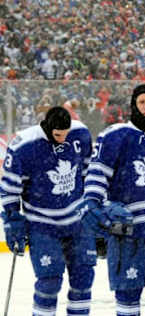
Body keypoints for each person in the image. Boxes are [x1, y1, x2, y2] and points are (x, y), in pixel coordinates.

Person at [80, 84, 145, 316]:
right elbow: (98, 173)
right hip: (128, 230)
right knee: (127, 295)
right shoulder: (115, 135)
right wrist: (92, 203)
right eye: (142, 102)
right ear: (134, 104)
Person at [0, 106, 95, 316]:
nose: (63, 139)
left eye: (66, 134)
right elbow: (9, 189)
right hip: (42, 225)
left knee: (83, 279)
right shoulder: (24, 145)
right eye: (58, 135)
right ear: (48, 128)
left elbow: (89, 174)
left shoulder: (80, 134)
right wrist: (12, 219)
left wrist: (94, 206)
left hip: (77, 224)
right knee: (49, 281)